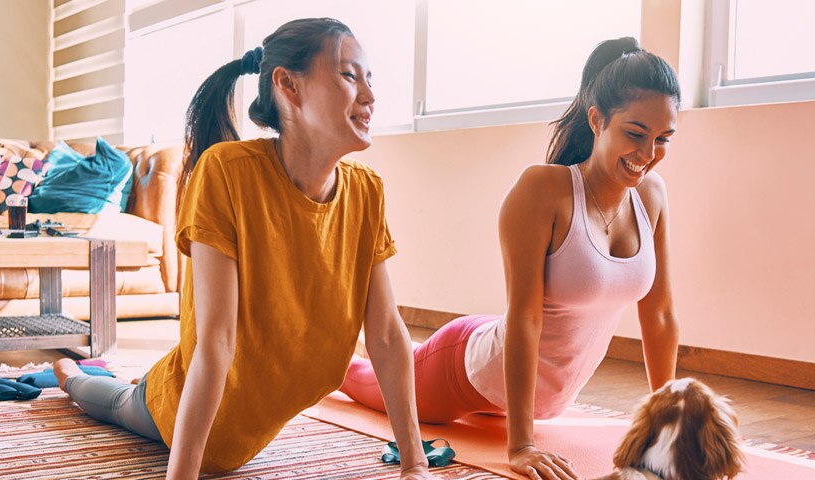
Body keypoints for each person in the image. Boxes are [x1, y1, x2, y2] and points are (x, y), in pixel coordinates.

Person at [52, 18, 437, 480]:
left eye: (369, 79)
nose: (370, 96)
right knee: (113, 401)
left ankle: (111, 376)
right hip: (182, 416)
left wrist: (415, 465)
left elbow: (389, 335)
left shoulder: (366, 192)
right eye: (350, 76)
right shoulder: (226, 172)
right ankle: (71, 377)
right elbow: (216, 340)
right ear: (288, 87)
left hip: (245, 427)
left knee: (134, 387)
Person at [340, 36, 681, 480]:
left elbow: (659, 316)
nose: (648, 154)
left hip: (532, 396)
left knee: (381, 360)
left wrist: (669, 423)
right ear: (597, 119)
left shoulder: (651, 197)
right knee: (352, 376)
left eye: (663, 139)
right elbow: (525, 319)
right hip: (473, 368)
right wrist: (521, 445)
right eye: (635, 134)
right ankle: (321, 339)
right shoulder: (544, 190)